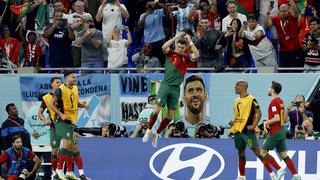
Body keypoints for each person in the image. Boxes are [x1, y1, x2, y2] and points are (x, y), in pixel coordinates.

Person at [142, 31, 199, 147]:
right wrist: (176, 37)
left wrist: (190, 41)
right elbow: (164, 47)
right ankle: (148, 131)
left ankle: (157, 133)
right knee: (156, 110)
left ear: (186, 47)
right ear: (176, 45)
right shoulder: (171, 53)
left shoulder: (186, 58)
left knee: (170, 116)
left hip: (176, 89)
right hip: (166, 85)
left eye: (183, 47)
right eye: (179, 46)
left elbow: (196, 55)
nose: (180, 49)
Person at [229, 80, 276, 180]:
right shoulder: (236, 100)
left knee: (258, 153)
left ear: (243, 87)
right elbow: (239, 116)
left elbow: (259, 113)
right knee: (240, 153)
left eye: (237, 85)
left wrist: (253, 125)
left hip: (247, 132)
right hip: (237, 131)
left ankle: (272, 174)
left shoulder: (252, 99)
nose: (235, 87)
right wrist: (233, 122)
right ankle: (242, 176)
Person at [49, 71, 90, 180]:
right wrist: (61, 114)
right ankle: (59, 169)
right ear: (67, 78)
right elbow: (51, 104)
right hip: (61, 121)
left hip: (71, 121)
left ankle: (77, 173)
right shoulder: (60, 90)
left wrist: (83, 105)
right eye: (73, 77)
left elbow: (75, 103)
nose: (75, 79)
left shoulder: (75, 88)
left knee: (73, 147)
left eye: (75, 77)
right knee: (67, 144)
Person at [260, 81, 301, 180]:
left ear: (273, 90)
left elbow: (277, 118)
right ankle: (296, 175)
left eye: (269, 87)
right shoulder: (280, 101)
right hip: (281, 130)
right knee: (284, 155)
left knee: (263, 152)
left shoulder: (274, 102)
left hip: (276, 131)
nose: (268, 89)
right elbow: (284, 119)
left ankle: (279, 169)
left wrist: (266, 123)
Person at [264, 0, 301, 72]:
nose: (283, 13)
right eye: (281, 11)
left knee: (295, 72)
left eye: (285, 11)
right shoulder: (276, 19)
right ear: (278, 11)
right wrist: (268, 13)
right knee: (284, 72)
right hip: (283, 51)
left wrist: (291, 1)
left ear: (289, 11)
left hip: (295, 50)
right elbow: (267, 24)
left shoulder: (293, 18)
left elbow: (296, 12)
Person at [38, 77, 62, 180]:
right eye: (57, 82)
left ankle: (63, 171)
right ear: (51, 84)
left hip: (66, 125)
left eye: (60, 82)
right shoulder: (46, 97)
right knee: (54, 151)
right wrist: (45, 120)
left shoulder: (64, 94)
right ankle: (54, 172)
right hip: (54, 127)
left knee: (68, 150)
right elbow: (40, 113)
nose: (59, 84)